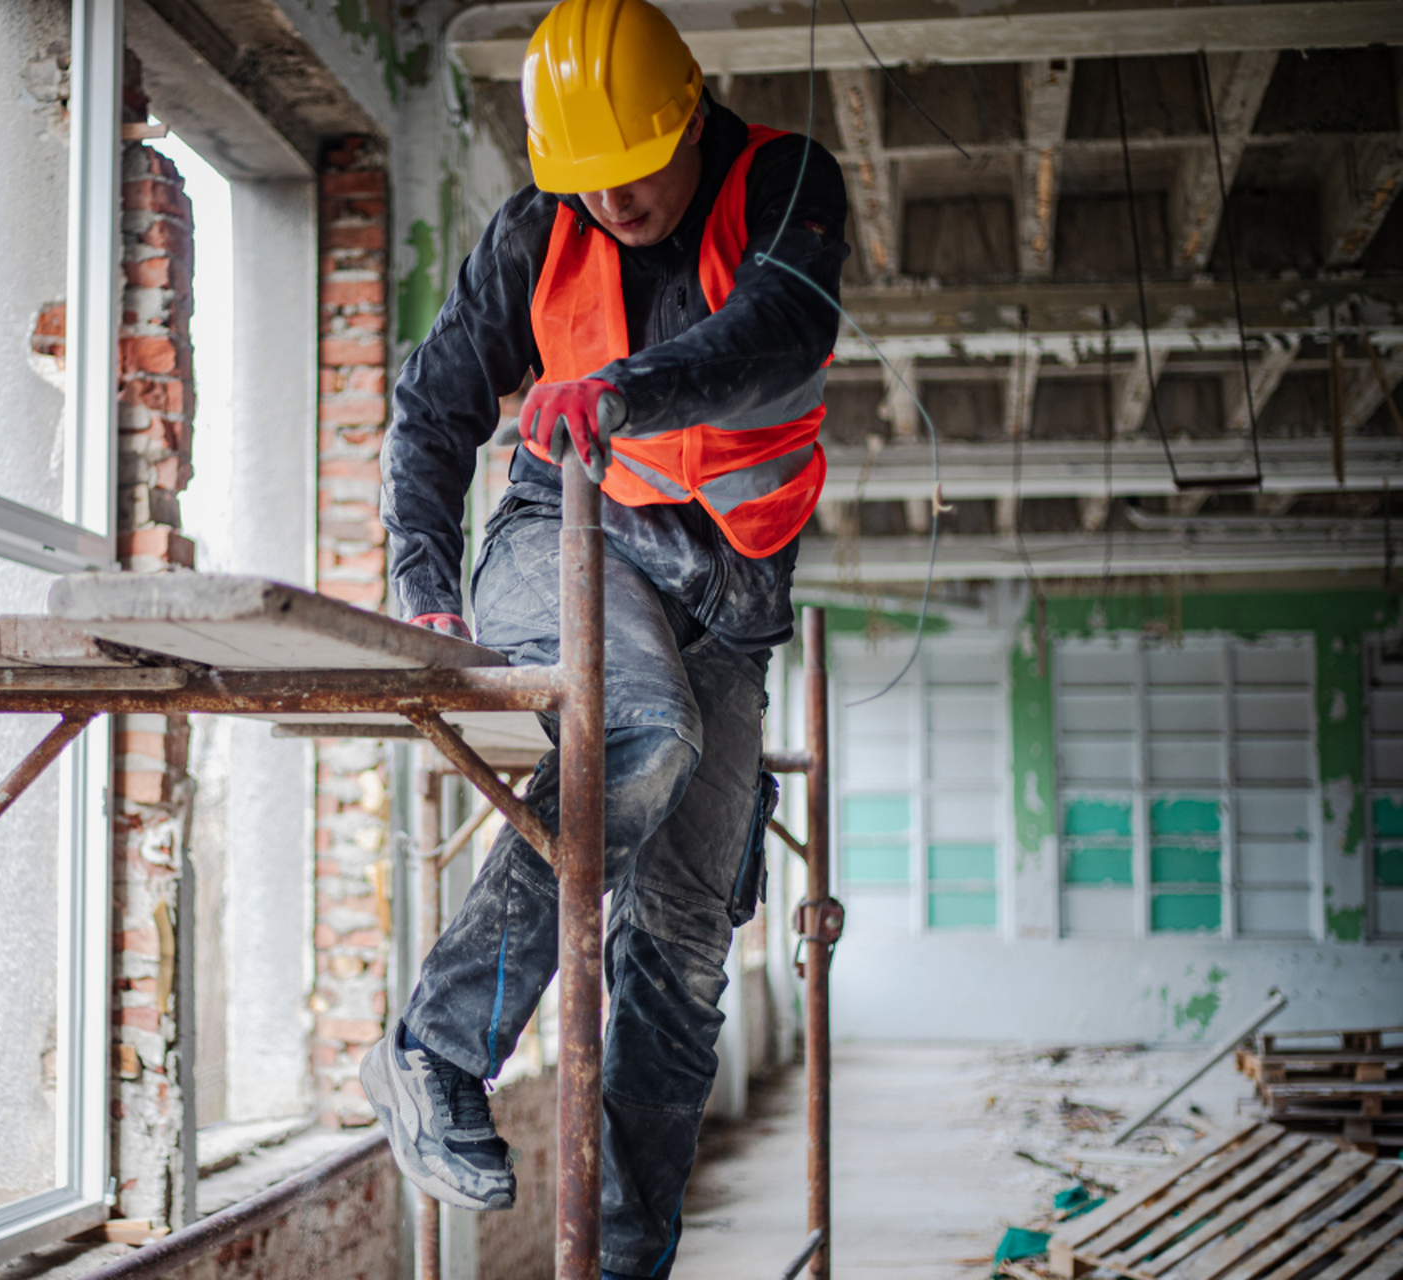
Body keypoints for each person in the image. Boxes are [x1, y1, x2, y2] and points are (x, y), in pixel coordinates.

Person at [360, 0, 848, 1273]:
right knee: (639, 724)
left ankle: (627, 1253)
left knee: (687, 942)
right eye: (586, 180)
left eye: (633, 171)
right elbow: (428, 410)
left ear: (687, 116)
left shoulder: (785, 182)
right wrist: (425, 584)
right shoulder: (538, 231)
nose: (614, 202)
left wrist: (624, 390)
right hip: (564, 541)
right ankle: (435, 1046)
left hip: (732, 592)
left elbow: (783, 337)